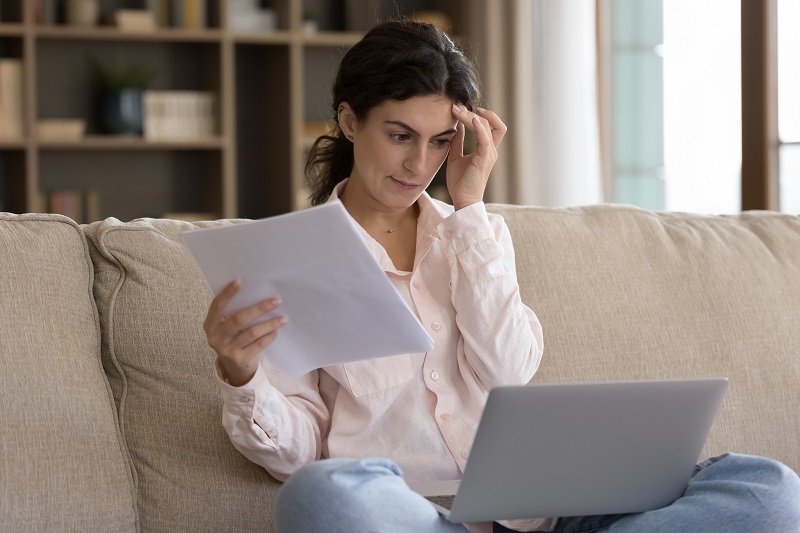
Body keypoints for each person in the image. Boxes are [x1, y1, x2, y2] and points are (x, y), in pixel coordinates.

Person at [203, 19, 800, 533]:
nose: (419, 164)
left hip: (543, 507)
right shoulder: (292, 258)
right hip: (417, 514)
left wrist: (470, 207)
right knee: (320, 498)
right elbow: (298, 453)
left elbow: (510, 371)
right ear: (350, 120)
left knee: (768, 489)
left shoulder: (474, 236)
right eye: (399, 135)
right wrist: (242, 375)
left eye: (440, 141)